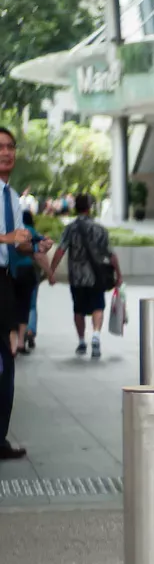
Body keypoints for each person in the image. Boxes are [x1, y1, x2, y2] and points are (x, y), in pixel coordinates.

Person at [49, 192, 121, 359]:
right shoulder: (100, 229)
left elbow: (60, 250)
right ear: (89, 208)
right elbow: (111, 254)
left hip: (77, 276)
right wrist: (119, 274)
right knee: (98, 306)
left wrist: (51, 271)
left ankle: (82, 341)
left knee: (78, 309)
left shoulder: (70, 228)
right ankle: (95, 336)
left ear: (75, 208)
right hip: (97, 275)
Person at [0, 128, 26, 458]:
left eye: (10, 147)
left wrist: (37, 246)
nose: (6, 152)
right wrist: (6, 238)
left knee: (7, 357)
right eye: (0, 147)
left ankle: (0, 438)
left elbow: (17, 240)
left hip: (4, 281)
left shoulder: (12, 195)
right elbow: (7, 237)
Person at [9, 209, 47, 355]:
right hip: (27, 271)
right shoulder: (30, 231)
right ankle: (22, 341)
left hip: (11, 271)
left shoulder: (12, 229)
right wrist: (49, 272)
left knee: (12, 305)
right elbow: (41, 248)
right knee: (27, 305)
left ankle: (12, 339)